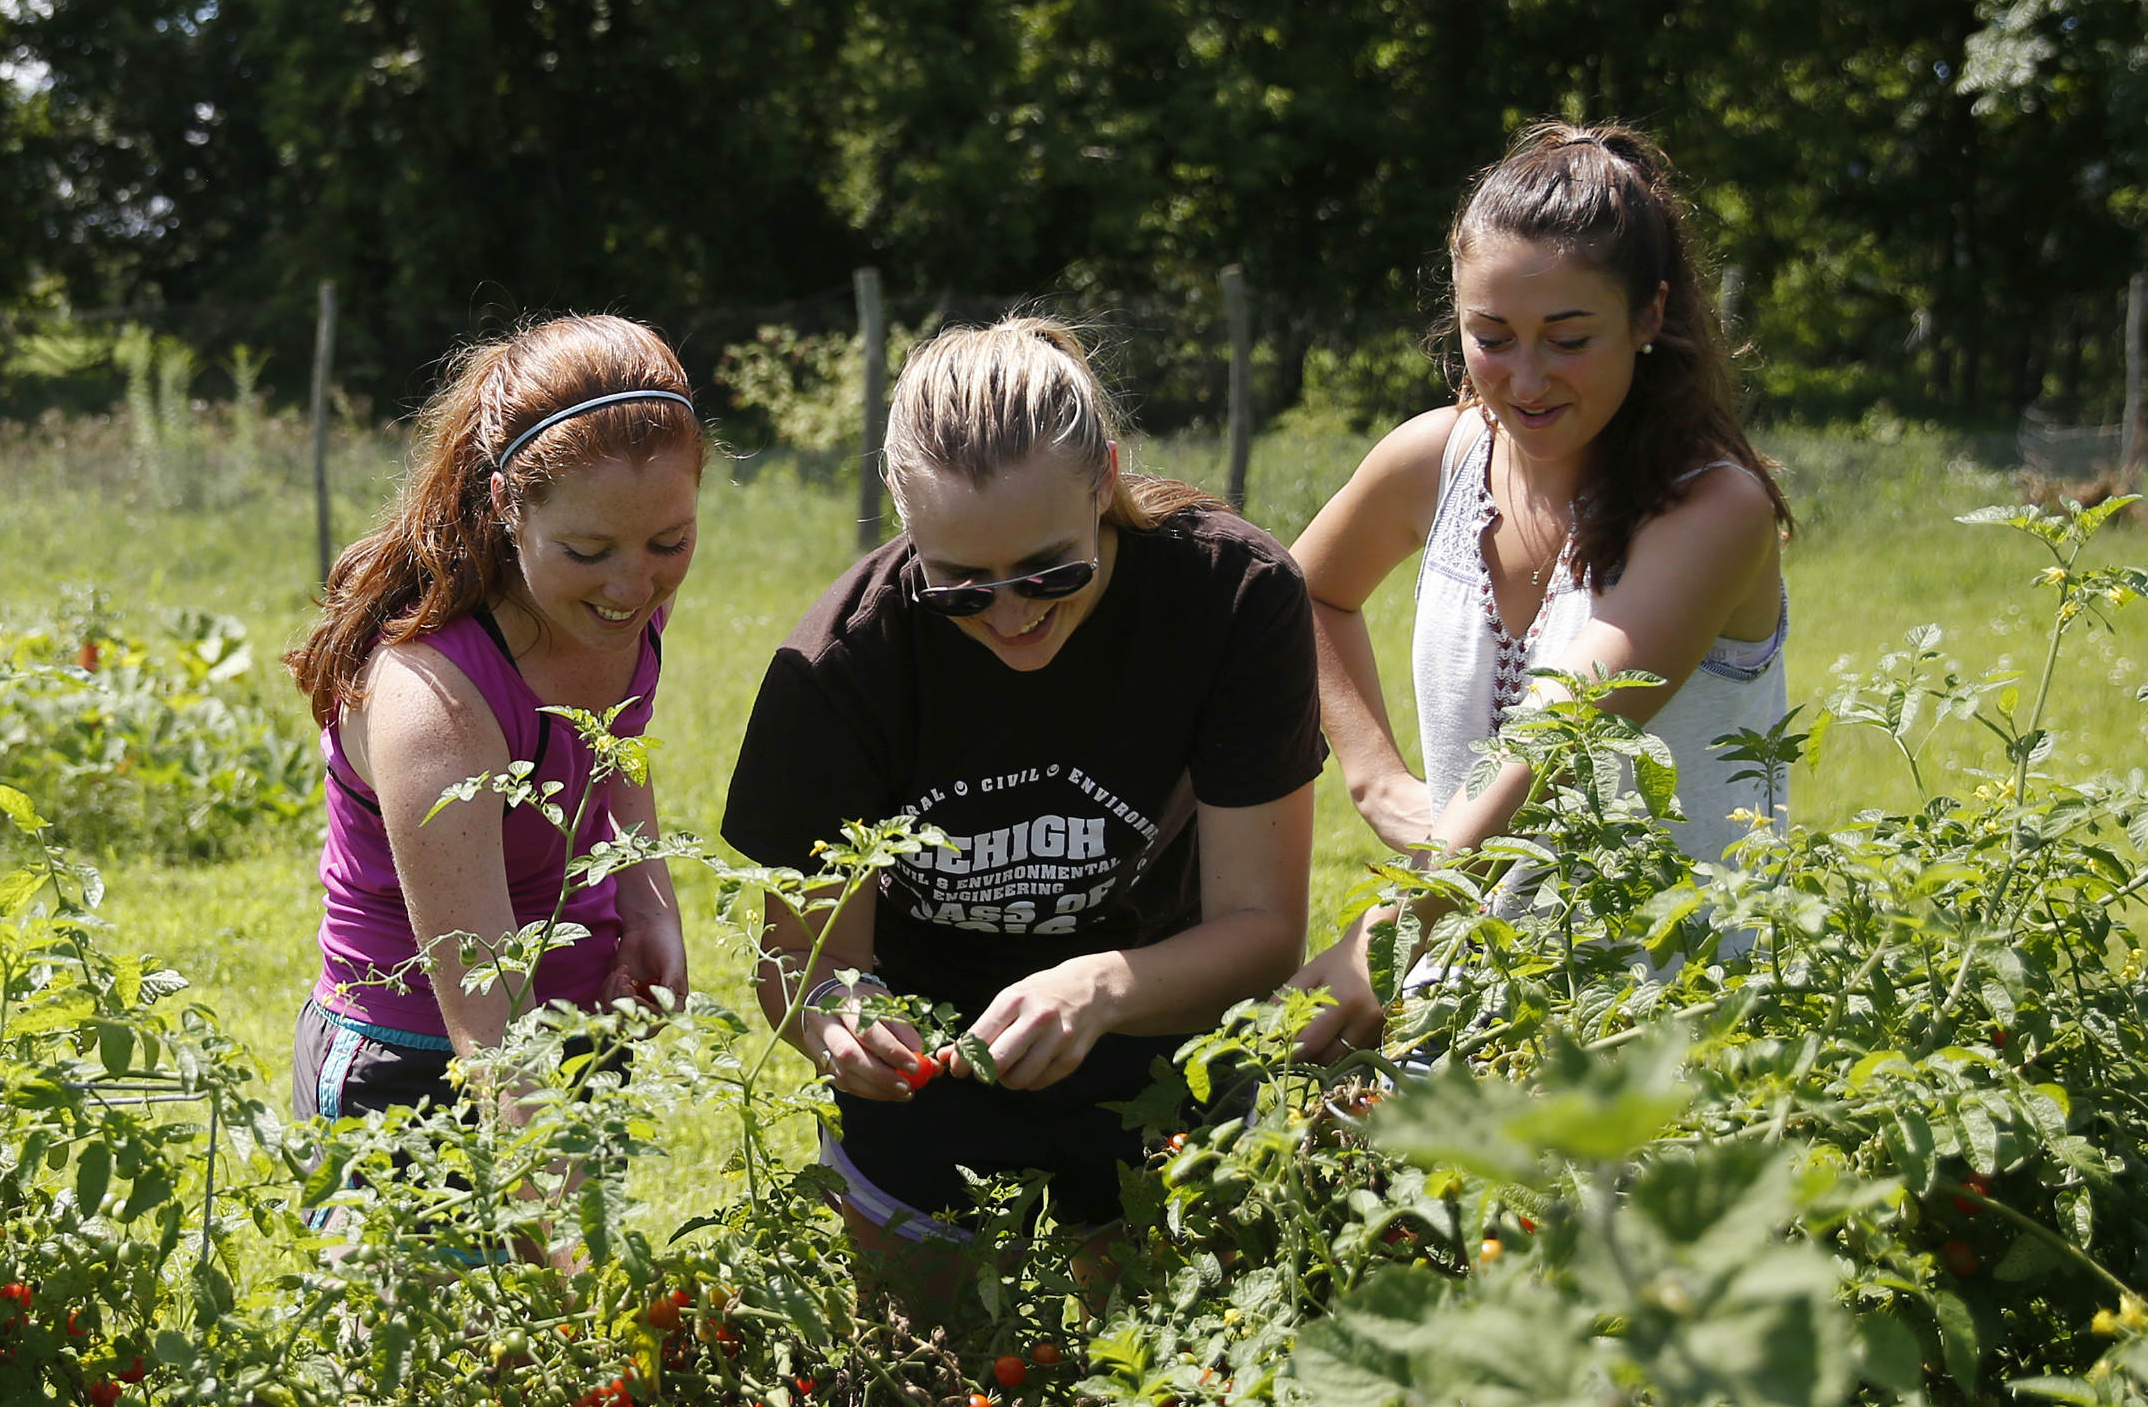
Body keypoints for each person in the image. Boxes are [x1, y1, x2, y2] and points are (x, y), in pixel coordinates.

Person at [722, 320, 1318, 1279]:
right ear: (904, 521)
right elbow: (805, 957)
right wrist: (844, 1018)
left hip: (1156, 1034)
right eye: (959, 584)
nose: (1010, 612)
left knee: (1163, 1373)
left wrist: (1098, 988)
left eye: (1051, 570)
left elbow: (1262, 929)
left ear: (1104, 479)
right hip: (932, 1071)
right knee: (929, 1382)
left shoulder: (1230, 599)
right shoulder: (842, 666)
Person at [1283, 120, 1791, 1060]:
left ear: (1649, 317)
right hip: (1461, 996)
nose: (1524, 379)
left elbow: (1571, 724)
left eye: (1568, 338)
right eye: (1492, 336)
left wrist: (1391, 928)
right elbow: (1296, 594)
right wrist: (1374, 773)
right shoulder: (1436, 459)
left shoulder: (1715, 507)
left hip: (1677, 1022)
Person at [286, 317, 701, 1126]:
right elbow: (490, 1033)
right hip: (416, 1065)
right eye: (588, 551)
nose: (633, 584)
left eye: (670, 539)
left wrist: (648, 906)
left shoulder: (633, 598)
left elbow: (614, 750)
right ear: (508, 501)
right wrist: (569, 1244)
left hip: (579, 1028)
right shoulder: (433, 696)